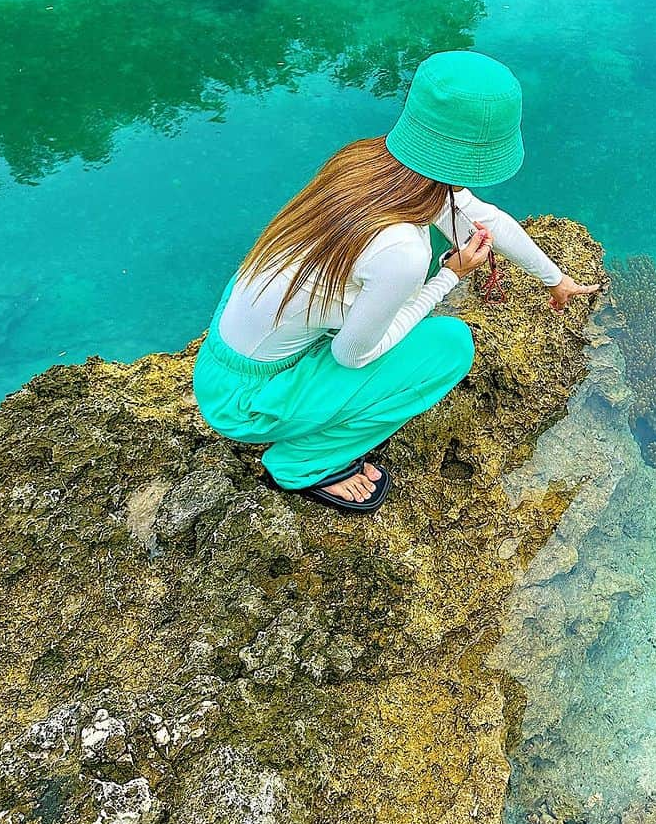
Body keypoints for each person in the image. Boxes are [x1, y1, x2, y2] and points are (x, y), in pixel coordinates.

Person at [191, 50, 599, 514]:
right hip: (245, 405)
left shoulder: (362, 163)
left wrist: (555, 279)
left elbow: (482, 220)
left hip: (222, 363)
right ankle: (306, 463)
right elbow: (352, 355)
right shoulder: (403, 251)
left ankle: (301, 419)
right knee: (451, 346)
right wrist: (447, 277)